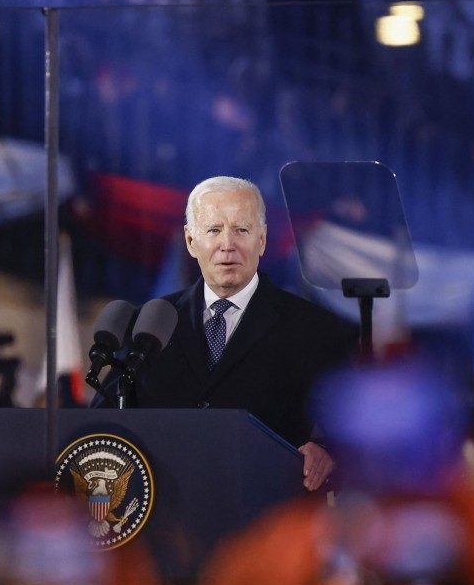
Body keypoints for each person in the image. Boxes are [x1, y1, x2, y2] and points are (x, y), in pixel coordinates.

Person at [101, 176, 356, 491]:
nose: (227, 245)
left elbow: (350, 426)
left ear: (261, 240)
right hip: (163, 510)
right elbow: (104, 419)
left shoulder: (313, 327)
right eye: (213, 230)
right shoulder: (149, 323)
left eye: (242, 230)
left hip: (264, 515)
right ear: (191, 241)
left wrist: (326, 451)